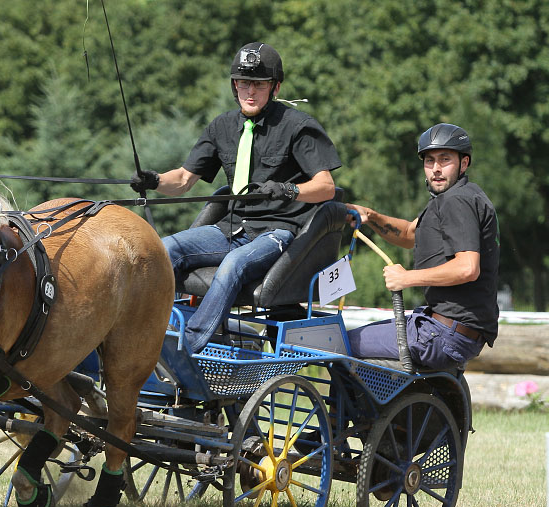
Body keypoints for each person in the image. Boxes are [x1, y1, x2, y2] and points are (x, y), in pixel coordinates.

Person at [130, 42, 342, 353]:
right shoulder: (222, 127)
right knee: (166, 248)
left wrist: (289, 190)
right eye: (244, 83)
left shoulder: (298, 127)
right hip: (232, 228)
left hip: (277, 234)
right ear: (234, 85)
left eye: (259, 84)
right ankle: (139, 331)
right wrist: (155, 180)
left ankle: (187, 347)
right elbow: (185, 180)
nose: (250, 91)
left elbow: (326, 187)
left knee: (232, 265)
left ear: (275, 86)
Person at [346, 123, 499, 369]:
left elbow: (467, 268)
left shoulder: (456, 200)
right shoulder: (459, 197)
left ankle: (346, 409)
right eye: (429, 161)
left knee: (340, 345)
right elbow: (408, 234)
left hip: (442, 334)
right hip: (447, 330)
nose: (436, 169)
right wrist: (370, 216)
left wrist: (407, 278)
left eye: (445, 159)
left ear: (464, 163)